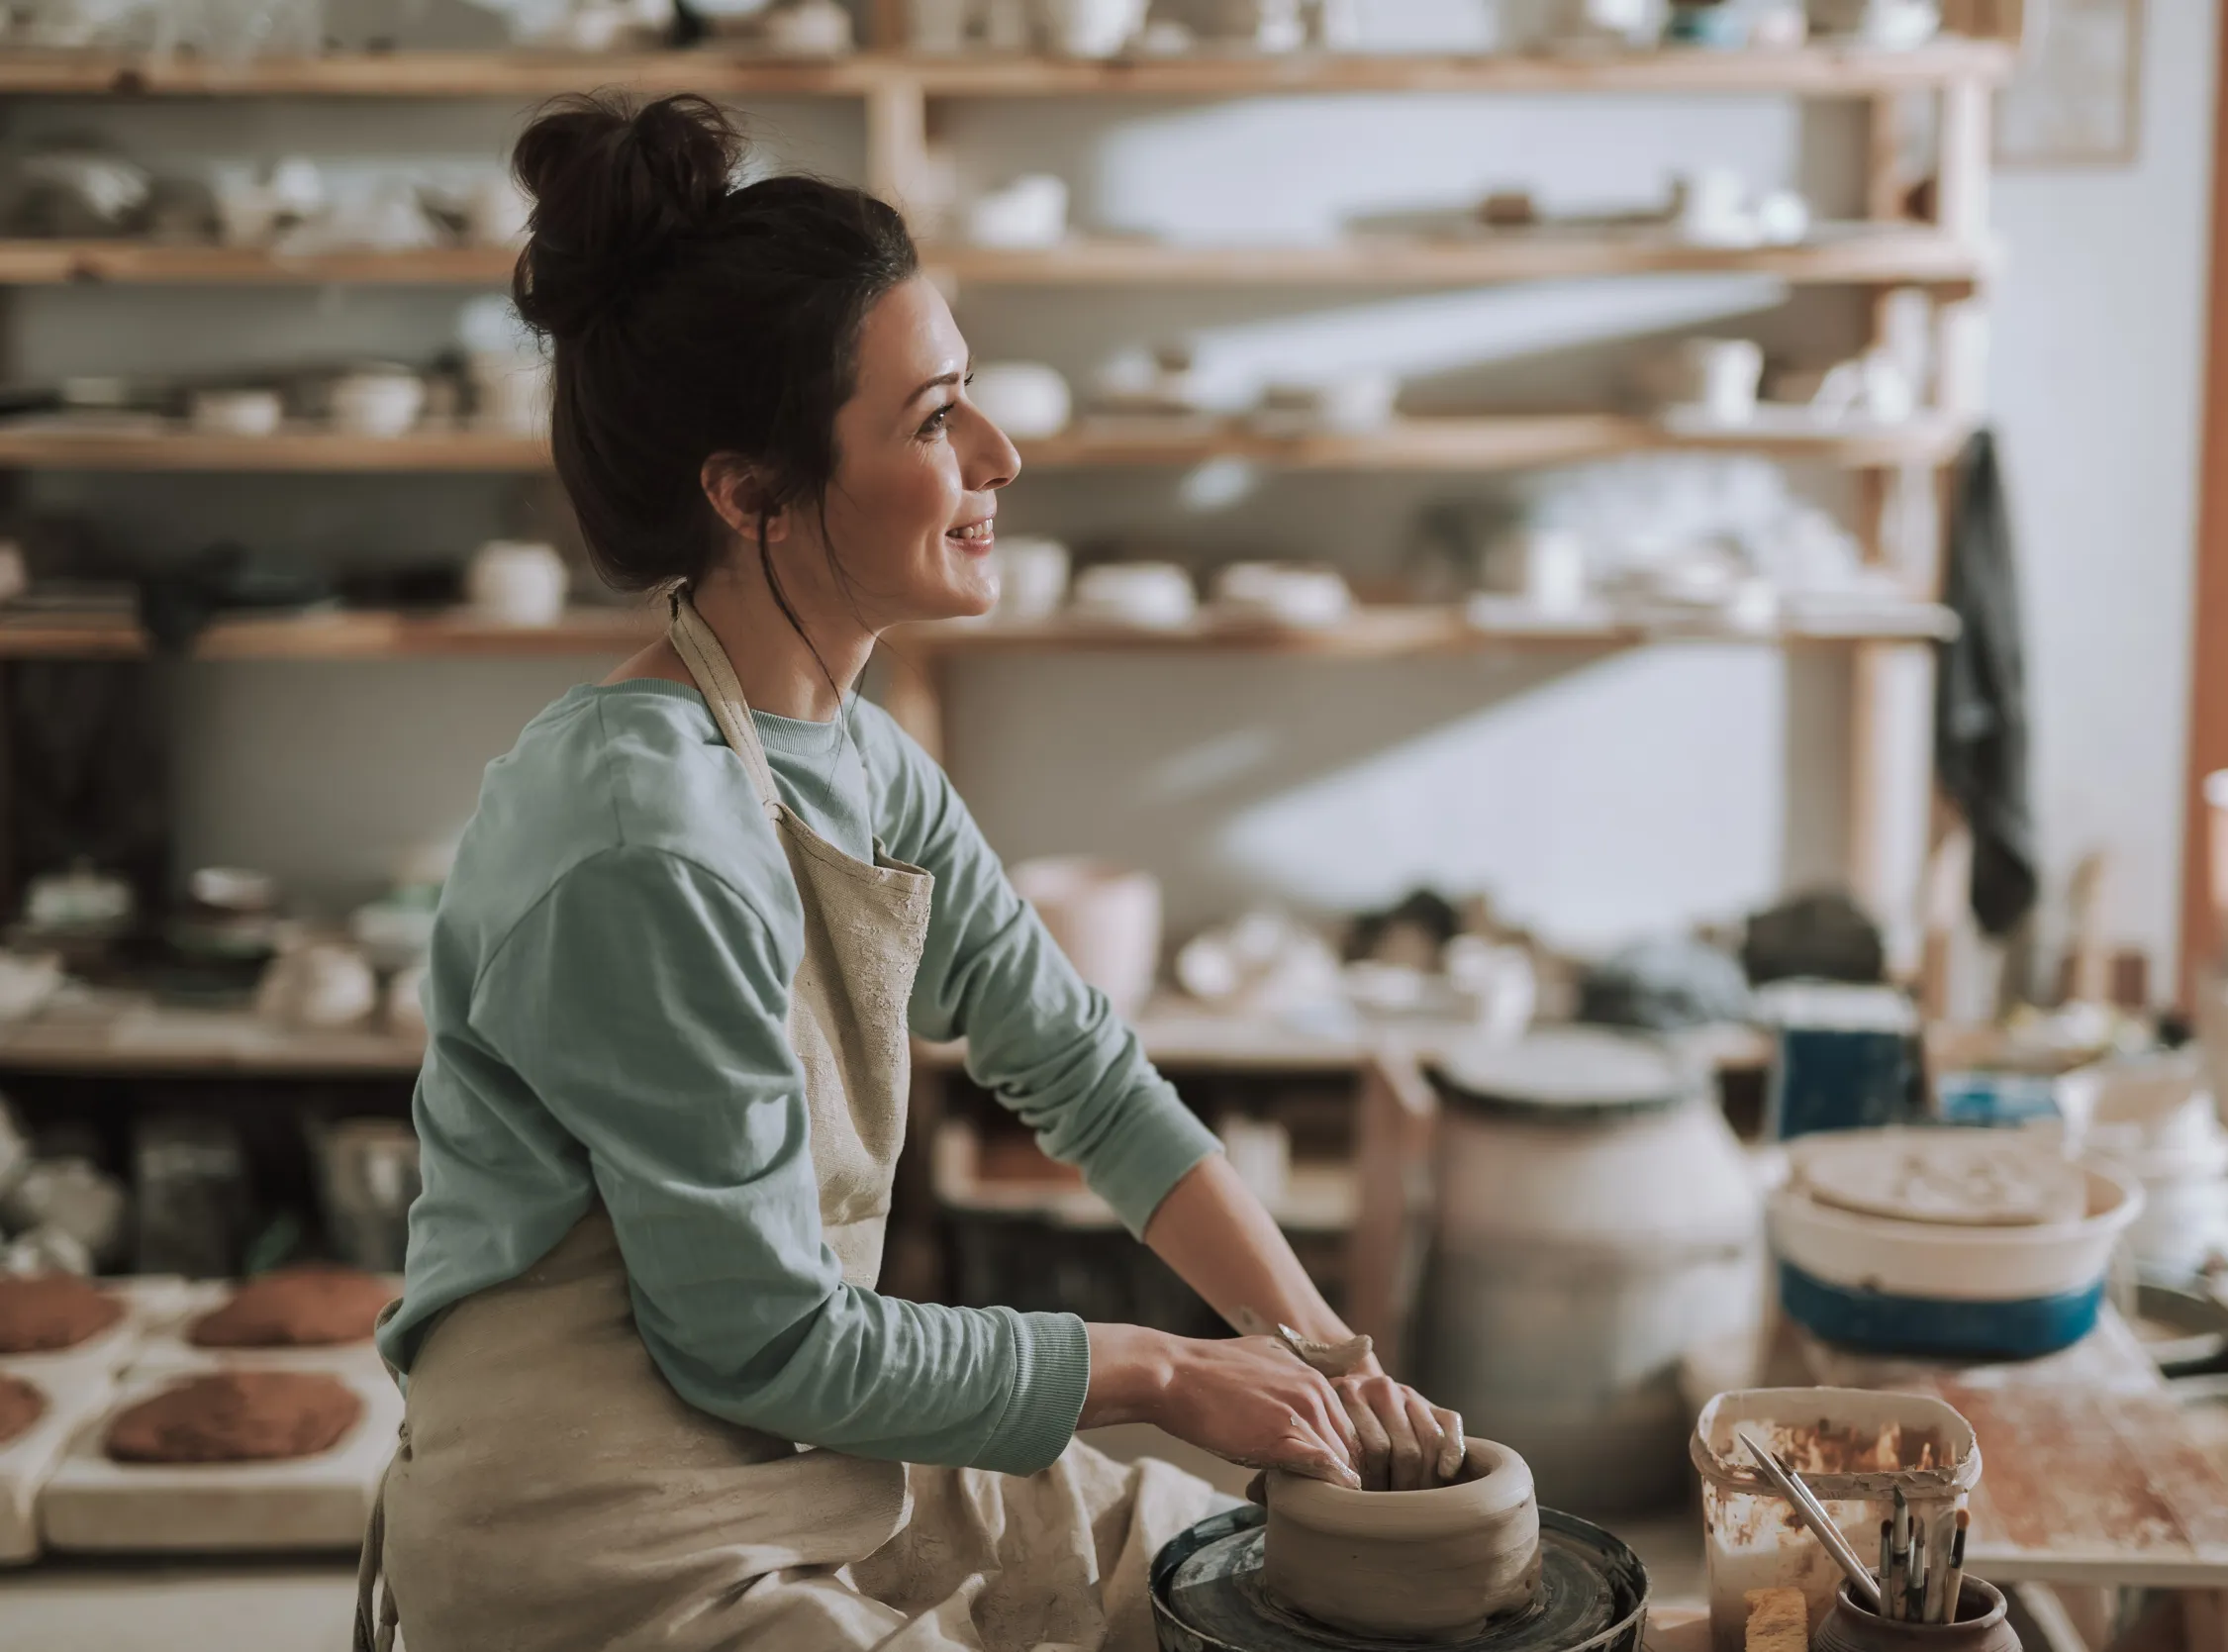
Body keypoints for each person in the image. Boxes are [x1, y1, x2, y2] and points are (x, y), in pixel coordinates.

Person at [355, 92, 1463, 1652]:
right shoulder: (642, 840)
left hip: (804, 1442)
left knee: (1213, 1584)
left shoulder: (863, 764)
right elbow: (753, 1336)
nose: (1001, 455)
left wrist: (1326, 1354)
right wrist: (1158, 1370)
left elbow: (1083, 1074)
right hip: (604, 1512)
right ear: (750, 495)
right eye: (935, 420)